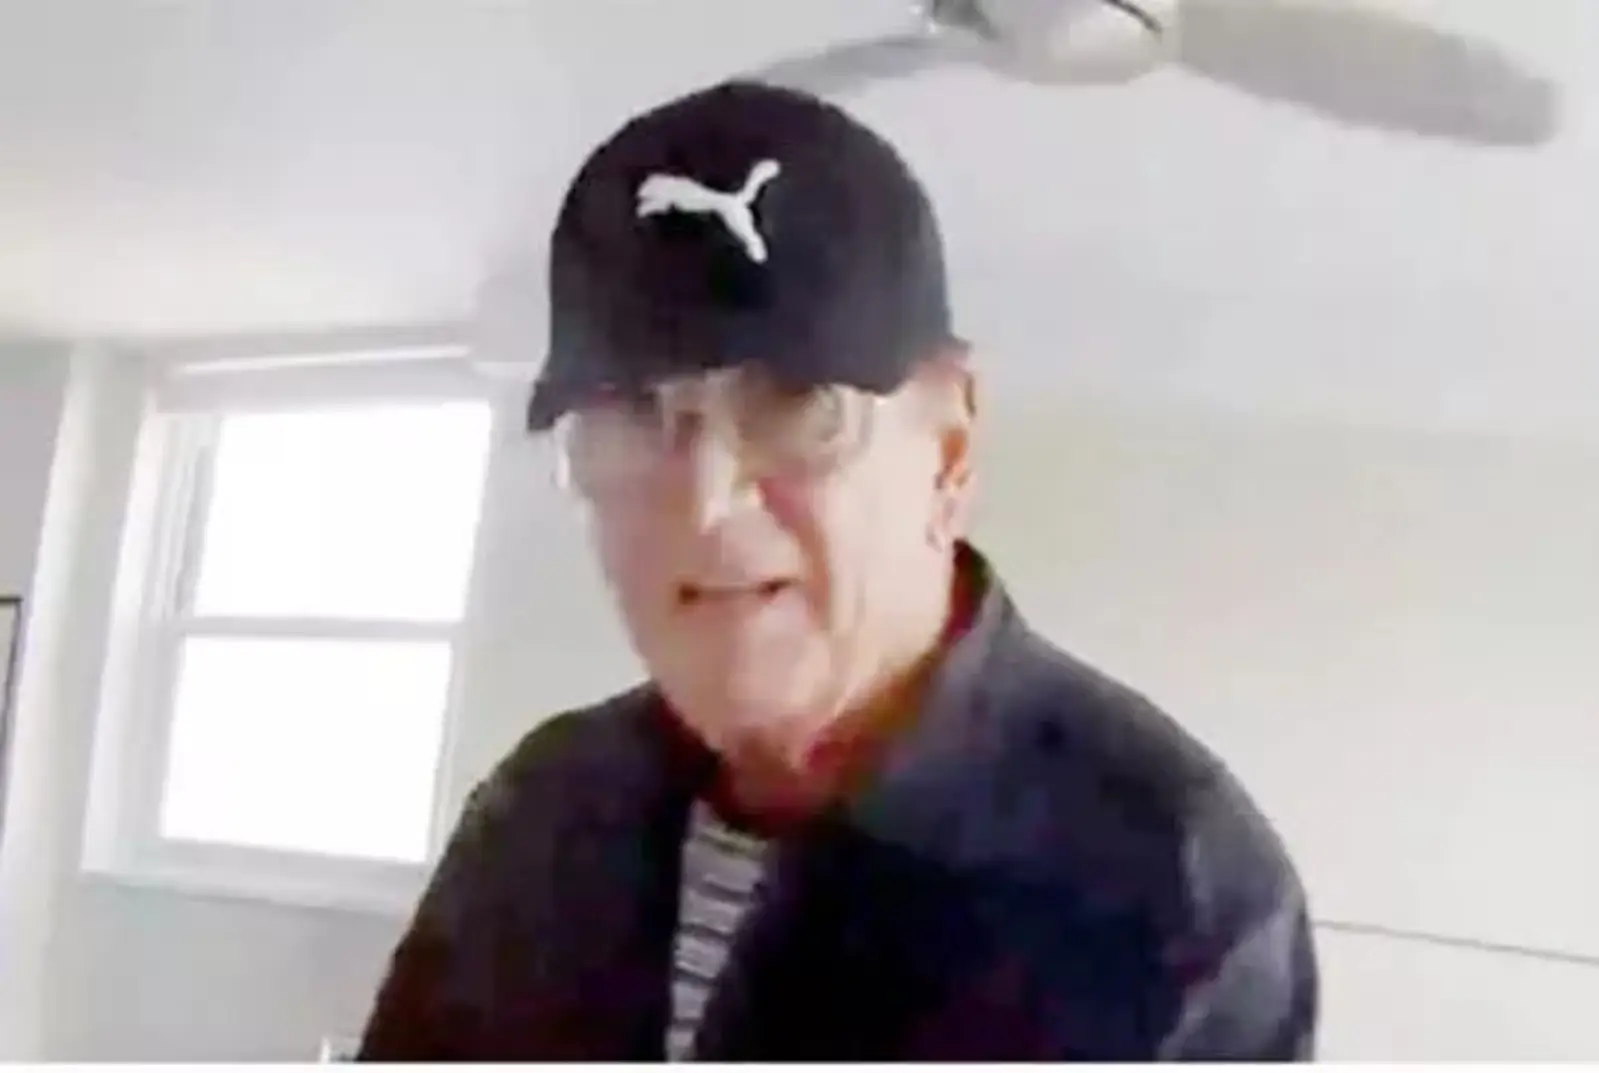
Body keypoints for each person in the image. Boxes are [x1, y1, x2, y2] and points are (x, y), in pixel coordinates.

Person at [358, 80, 1318, 1061]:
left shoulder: (1177, 895)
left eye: (798, 403)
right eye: (629, 415)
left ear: (948, 449)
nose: (702, 502)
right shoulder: (540, 809)